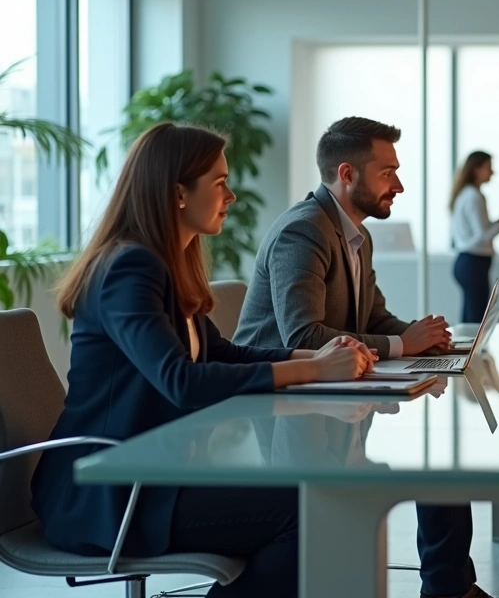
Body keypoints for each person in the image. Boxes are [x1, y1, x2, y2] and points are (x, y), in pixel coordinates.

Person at [31, 123, 378, 598]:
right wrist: (314, 369)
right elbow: (182, 382)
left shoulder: (164, 264)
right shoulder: (128, 268)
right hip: (111, 493)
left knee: (316, 500)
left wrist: (313, 354)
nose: (231, 196)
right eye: (219, 183)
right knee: (310, 509)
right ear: (178, 193)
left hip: (156, 475)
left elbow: (223, 353)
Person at [233, 117, 495, 598]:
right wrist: (402, 345)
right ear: (348, 174)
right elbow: (305, 334)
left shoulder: (356, 234)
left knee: (438, 462)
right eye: (387, 171)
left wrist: (427, 339)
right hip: (285, 411)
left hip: (332, 401)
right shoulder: (303, 231)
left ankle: (450, 590)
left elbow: (374, 319)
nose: (398, 183)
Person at [450, 150, 499, 323]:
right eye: (489, 167)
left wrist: (498, 224)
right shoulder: (474, 196)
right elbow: (481, 237)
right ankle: (475, 351)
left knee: (471, 316)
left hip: (467, 262)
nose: (492, 172)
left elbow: (479, 232)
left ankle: (468, 350)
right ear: (476, 169)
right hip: (474, 263)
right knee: (477, 319)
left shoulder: (465, 194)